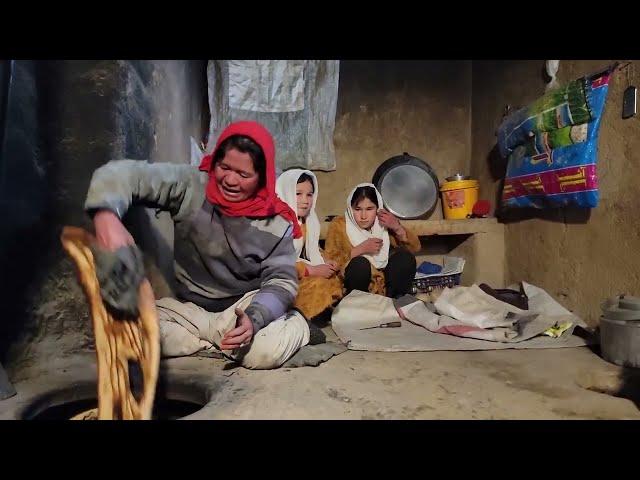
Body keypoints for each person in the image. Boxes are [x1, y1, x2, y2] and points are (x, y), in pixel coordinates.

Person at [84, 121, 310, 369]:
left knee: (265, 353)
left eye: (244, 175)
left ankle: (293, 325)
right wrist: (106, 214)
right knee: (127, 335)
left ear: (261, 178)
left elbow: (282, 282)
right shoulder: (191, 185)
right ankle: (217, 343)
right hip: (189, 310)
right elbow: (119, 174)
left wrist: (254, 320)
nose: (230, 180)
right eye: (224, 167)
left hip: (241, 309)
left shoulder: (277, 223)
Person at [324, 183, 420, 298]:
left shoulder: (382, 223)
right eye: (358, 209)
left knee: (405, 258)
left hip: (384, 285)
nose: (363, 216)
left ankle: (395, 300)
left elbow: (414, 248)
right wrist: (361, 249)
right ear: (350, 208)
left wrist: (397, 227)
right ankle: (361, 304)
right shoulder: (339, 225)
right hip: (354, 286)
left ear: (377, 208)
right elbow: (331, 261)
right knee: (360, 264)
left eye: (369, 209)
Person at [276, 169, 343, 322]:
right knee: (318, 284)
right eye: (298, 193)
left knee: (333, 280)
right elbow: (277, 263)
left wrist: (324, 261)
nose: (305, 200)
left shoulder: (308, 221)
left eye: (309, 194)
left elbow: (308, 250)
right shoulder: (277, 222)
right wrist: (311, 270)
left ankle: (310, 316)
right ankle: (299, 321)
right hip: (279, 279)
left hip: (298, 274)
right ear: (286, 192)